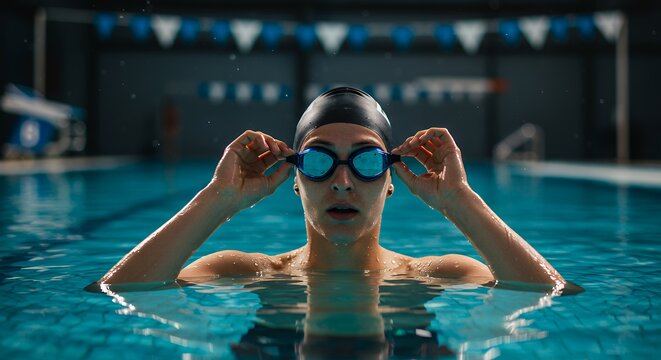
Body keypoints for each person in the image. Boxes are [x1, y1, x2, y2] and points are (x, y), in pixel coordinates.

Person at [98, 86, 580, 295]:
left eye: (368, 161)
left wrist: (460, 201)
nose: (343, 181)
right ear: (294, 180)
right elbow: (121, 291)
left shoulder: (438, 275)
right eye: (319, 161)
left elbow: (550, 294)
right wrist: (217, 199)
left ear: (391, 181)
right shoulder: (245, 270)